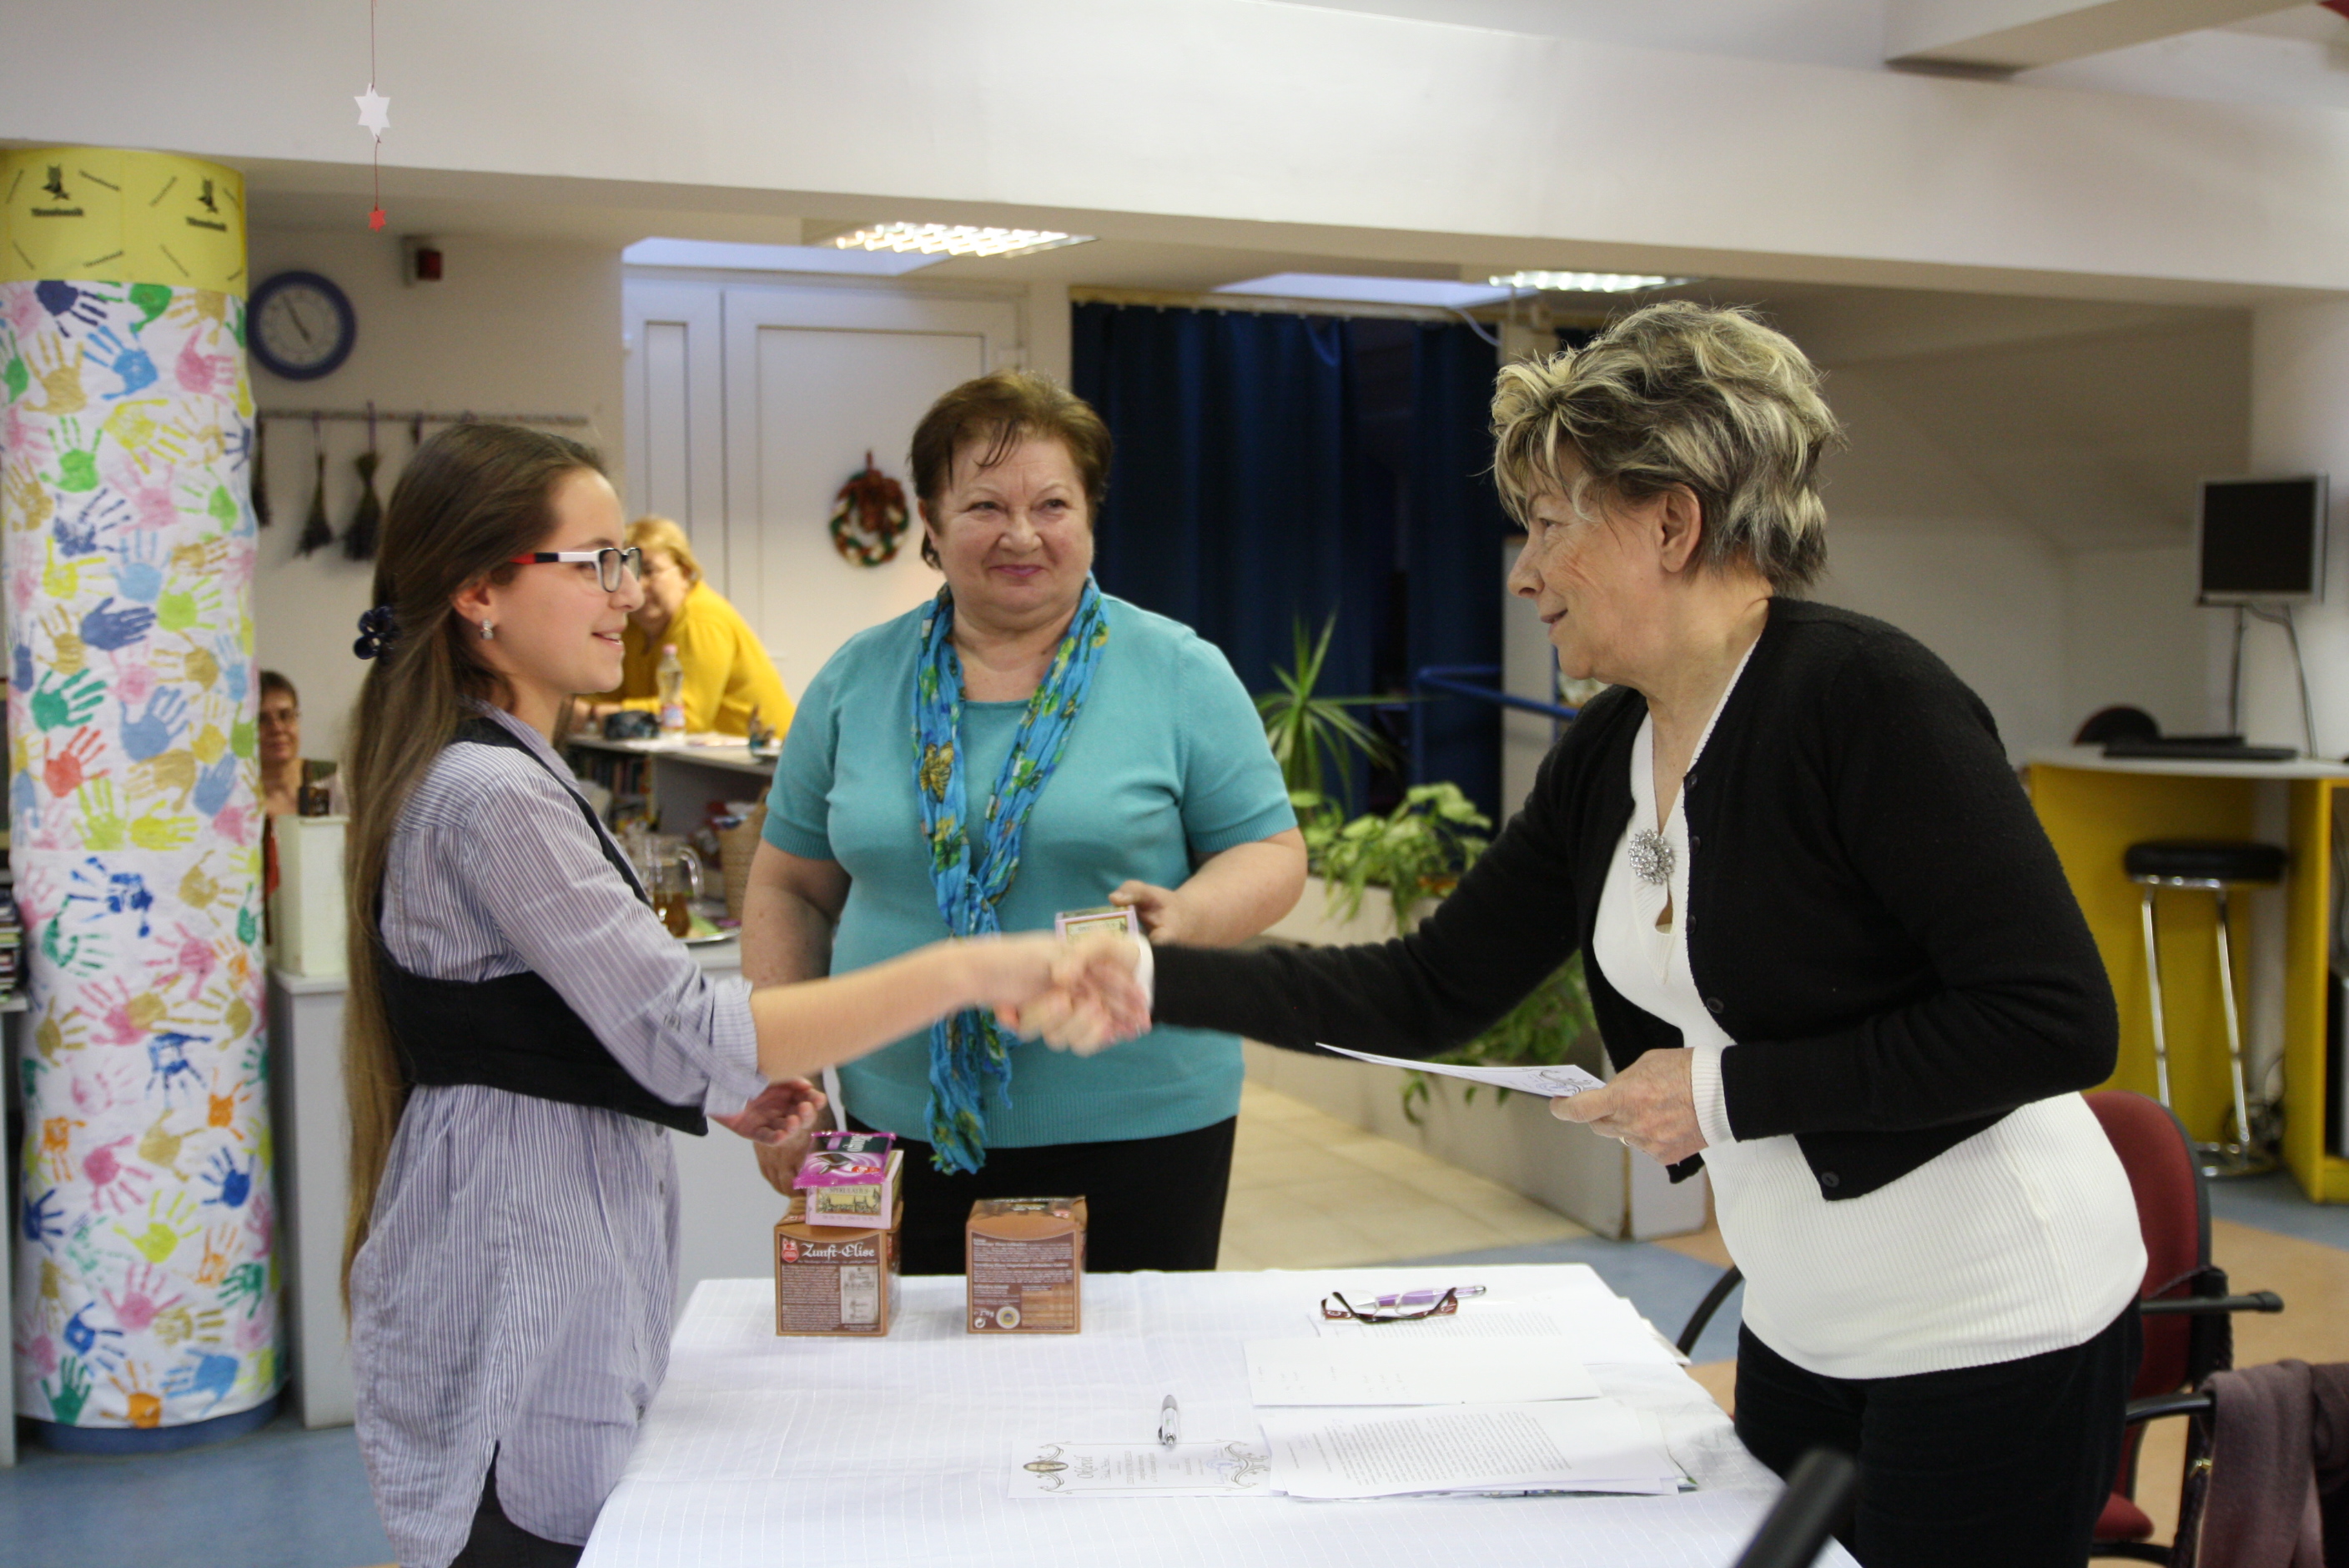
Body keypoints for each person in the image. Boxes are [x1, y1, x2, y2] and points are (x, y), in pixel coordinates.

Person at [1052, 304, 2148, 1568]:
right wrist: (1152, 975)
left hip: (1992, 1322)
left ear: (1671, 523)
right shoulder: (1608, 752)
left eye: (1547, 524)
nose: (1522, 572)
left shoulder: (1867, 703)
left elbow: (2054, 1019)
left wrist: (1720, 1093)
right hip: (1805, 1322)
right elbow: (1424, 988)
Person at [339, 422, 1143, 1568]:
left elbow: (546, 1019)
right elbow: (681, 1026)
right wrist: (971, 967)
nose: (629, 595)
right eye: (597, 562)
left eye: (627, 561)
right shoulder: (488, 793)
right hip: (516, 1290)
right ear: (480, 593)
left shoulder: (504, 770)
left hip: (540, 1269)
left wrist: (718, 1089)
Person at [741, 370, 1306, 1274]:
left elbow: (1270, 852)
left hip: (1141, 1120)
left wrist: (1186, 915)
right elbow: (789, 886)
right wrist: (789, 1069)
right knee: (918, 1363)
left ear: (1089, 516)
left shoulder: (1178, 669)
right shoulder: (855, 678)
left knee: (1125, 1361)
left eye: (1052, 504)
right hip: (895, 1121)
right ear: (929, 521)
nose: (1021, 534)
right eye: (984, 505)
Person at [577, 514, 793, 737]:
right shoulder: (632, 625)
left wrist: (593, 715)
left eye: (649, 571)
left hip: (762, 752)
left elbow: (688, 716)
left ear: (685, 572)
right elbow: (608, 696)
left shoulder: (702, 618)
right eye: (629, 573)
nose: (638, 585)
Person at [258, 670, 306, 815]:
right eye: (262, 719)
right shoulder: (231, 799)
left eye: (285, 716)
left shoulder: (333, 781)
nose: (277, 728)